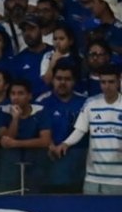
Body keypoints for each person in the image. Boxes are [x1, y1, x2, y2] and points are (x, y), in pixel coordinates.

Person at [51, 65, 122, 194]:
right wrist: (66, 143)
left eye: (111, 82)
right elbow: (80, 129)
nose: (107, 86)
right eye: (103, 82)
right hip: (93, 177)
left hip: (119, 179)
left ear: (119, 81)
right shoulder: (91, 103)